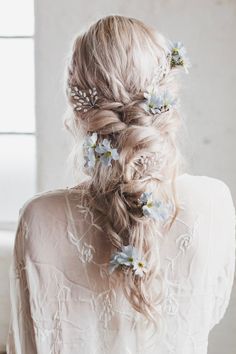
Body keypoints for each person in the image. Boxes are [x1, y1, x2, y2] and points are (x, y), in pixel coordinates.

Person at [7, 15, 236, 354]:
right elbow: (210, 313)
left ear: (79, 110)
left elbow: (27, 343)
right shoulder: (214, 202)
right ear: (166, 100)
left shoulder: (38, 219)